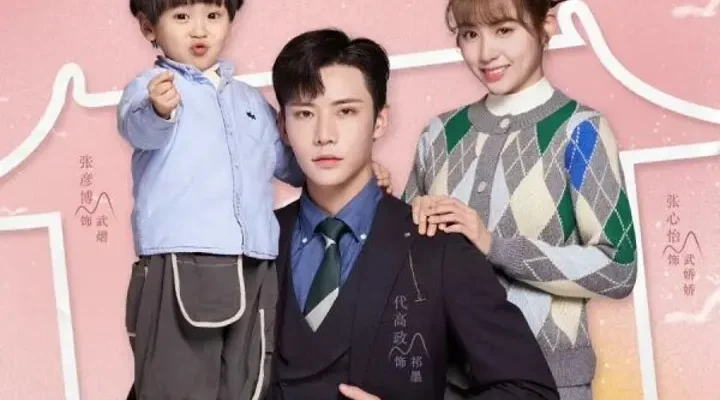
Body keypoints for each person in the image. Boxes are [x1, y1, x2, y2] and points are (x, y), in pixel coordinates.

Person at [117, 1, 391, 398]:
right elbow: (138, 129)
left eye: (213, 16)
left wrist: (358, 174)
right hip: (183, 257)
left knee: (249, 378)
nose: (199, 30)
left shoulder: (249, 103)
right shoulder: (152, 89)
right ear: (148, 28)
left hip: (256, 260)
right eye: (182, 17)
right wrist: (159, 110)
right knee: (177, 380)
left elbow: (295, 165)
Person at [267, 28, 559, 400]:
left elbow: (532, 392)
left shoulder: (439, 247)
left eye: (346, 111)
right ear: (284, 127)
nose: (325, 134)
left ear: (380, 121)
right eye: (305, 113)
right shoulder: (255, 244)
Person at [403, 0, 638, 398]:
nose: (485, 53)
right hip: (444, 380)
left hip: (550, 380)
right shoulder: (438, 135)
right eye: (470, 34)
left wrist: (495, 246)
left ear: (547, 24)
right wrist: (402, 217)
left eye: (504, 30)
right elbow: (402, 268)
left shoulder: (580, 131)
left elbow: (619, 267)